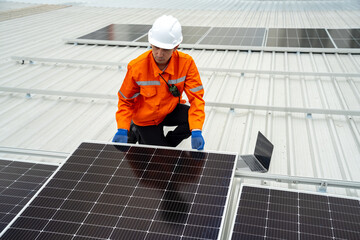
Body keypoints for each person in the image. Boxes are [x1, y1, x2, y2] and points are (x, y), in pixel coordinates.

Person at [112, 15, 205, 150]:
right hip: (146, 119)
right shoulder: (137, 67)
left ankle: (162, 146)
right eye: (156, 47)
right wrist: (122, 128)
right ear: (151, 43)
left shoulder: (186, 63)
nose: (159, 54)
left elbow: (197, 99)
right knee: (160, 158)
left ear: (176, 46)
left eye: (165, 49)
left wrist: (196, 131)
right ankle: (136, 130)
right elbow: (125, 101)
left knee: (189, 123)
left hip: (168, 110)